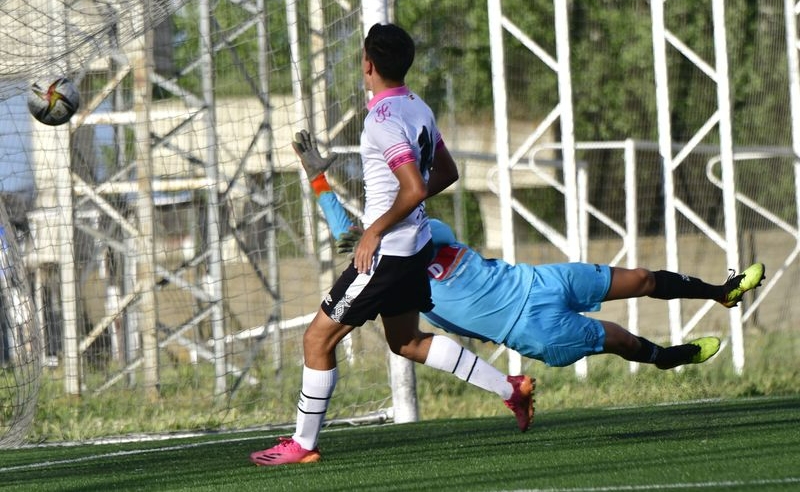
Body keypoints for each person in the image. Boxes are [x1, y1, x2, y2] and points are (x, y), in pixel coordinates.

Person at [250, 23, 534, 468]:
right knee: (406, 341)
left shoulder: (381, 120)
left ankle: (303, 444)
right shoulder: (416, 106)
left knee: (317, 339)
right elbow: (446, 173)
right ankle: (509, 388)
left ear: (367, 63)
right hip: (413, 246)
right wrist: (399, 213)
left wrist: (376, 229)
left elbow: (414, 187)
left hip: (388, 253)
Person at [290, 129, 766, 372]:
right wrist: (319, 179)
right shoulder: (387, 272)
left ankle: (721, 292)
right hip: (529, 326)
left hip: (536, 280)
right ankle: (668, 358)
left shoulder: (424, 226)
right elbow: (349, 235)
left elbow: (407, 206)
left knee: (640, 277)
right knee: (619, 337)